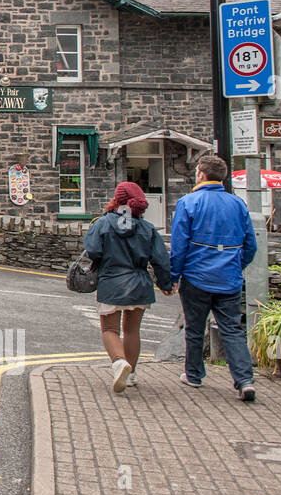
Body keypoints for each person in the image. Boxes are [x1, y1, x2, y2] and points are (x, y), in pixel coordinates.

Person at [169, 153, 258, 401]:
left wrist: (173, 276)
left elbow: (179, 246)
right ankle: (244, 379)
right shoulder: (238, 204)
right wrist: (236, 265)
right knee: (232, 329)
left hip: (196, 276)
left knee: (195, 328)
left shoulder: (188, 202)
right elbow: (250, 244)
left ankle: (194, 374)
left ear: (200, 174)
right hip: (228, 278)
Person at [83, 182, 172, 393]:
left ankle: (119, 363)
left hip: (112, 282)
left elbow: (93, 251)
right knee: (132, 330)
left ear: (117, 199)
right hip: (140, 283)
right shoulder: (147, 228)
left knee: (110, 329)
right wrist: (166, 283)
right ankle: (130, 375)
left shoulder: (103, 223)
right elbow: (161, 259)